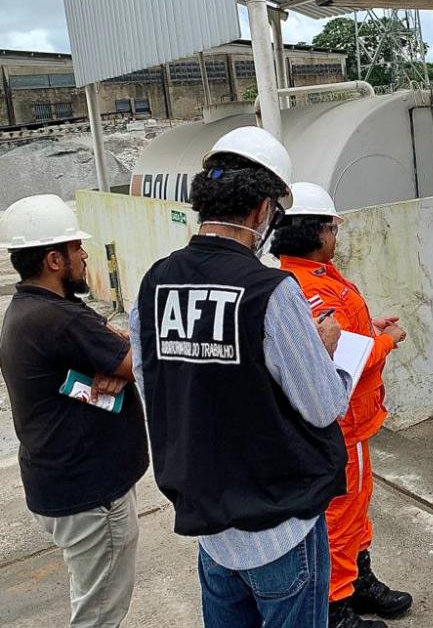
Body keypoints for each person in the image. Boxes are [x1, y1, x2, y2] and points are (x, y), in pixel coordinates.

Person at [129, 126, 351, 628]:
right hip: (280, 529)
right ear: (261, 211)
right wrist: (324, 352)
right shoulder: (269, 290)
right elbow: (323, 406)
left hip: (211, 528)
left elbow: (153, 385)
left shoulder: (155, 283)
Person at [0, 194, 147, 628]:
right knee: (98, 613)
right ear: (53, 259)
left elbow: (117, 353)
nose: (84, 255)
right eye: (75, 248)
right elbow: (143, 361)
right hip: (90, 497)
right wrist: (126, 361)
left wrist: (119, 359)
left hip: (62, 487)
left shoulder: (30, 311)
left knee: (91, 595)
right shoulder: (59, 320)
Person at [270, 182, 410, 628]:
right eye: (332, 227)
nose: (337, 235)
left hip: (355, 422)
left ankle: (357, 580)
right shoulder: (306, 286)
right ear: (314, 232)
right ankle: (334, 605)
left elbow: (345, 333)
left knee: (356, 505)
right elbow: (344, 358)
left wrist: (370, 325)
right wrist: (384, 341)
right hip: (341, 423)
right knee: (340, 513)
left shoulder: (317, 277)